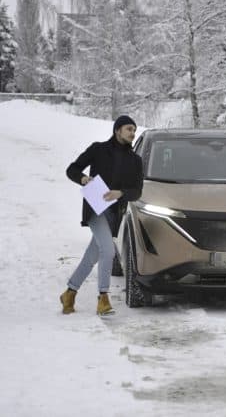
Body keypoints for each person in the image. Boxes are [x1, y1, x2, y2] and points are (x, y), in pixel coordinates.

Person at [60, 115, 144, 316]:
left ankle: (69, 293)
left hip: (115, 213)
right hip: (95, 209)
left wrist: (120, 193)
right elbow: (71, 169)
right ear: (117, 131)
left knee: (92, 256)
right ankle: (103, 298)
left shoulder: (136, 160)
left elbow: (137, 191)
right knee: (108, 250)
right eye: (129, 129)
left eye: (134, 129)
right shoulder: (98, 149)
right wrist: (83, 179)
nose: (133, 133)